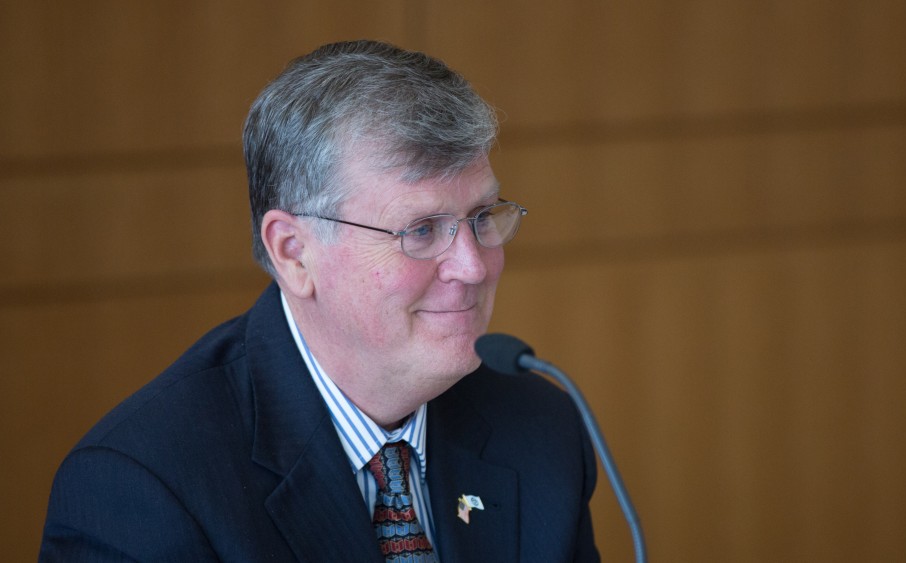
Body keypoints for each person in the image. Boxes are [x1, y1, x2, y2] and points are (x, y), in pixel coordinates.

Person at [39, 40, 599, 562]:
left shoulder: (540, 430)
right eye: (422, 230)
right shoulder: (142, 487)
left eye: (482, 218)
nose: (474, 266)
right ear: (294, 253)